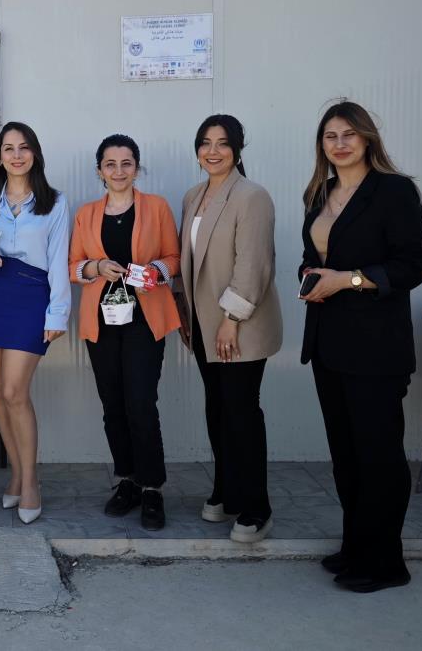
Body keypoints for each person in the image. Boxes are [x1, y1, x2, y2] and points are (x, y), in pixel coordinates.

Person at [299, 101, 422, 593]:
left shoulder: (394, 191)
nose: (340, 143)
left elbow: (413, 265)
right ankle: (357, 545)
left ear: (368, 138)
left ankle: (386, 561)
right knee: (346, 454)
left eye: (349, 134)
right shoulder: (321, 193)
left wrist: (348, 280)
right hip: (328, 343)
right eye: (330, 136)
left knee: (378, 455)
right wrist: (311, 276)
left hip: (376, 347)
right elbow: (313, 254)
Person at [177, 114, 282, 544]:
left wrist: (231, 320)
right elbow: (188, 263)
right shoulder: (193, 196)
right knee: (218, 409)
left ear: (237, 149)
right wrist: (185, 316)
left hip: (239, 325)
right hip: (203, 326)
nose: (213, 151)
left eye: (222, 143)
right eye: (205, 142)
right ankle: (227, 490)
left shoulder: (252, 196)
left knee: (241, 412)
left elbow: (253, 264)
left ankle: (257, 507)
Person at [69, 134, 181, 529]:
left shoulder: (157, 207)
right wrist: (97, 267)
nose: (118, 171)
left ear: (137, 168)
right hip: (101, 323)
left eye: (126, 163)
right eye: (110, 164)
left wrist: (155, 272)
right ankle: (128, 480)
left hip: (145, 320)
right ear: (99, 170)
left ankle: (152, 488)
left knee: (140, 404)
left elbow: (174, 258)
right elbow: (73, 266)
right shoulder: (86, 214)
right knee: (113, 406)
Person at [0, 121, 70, 524]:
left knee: (14, 391)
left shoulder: (54, 202)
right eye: (8, 148)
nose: (16, 155)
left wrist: (57, 312)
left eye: (24, 147)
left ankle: (31, 482)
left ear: (35, 153)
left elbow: (58, 261)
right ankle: (15, 475)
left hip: (31, 297)